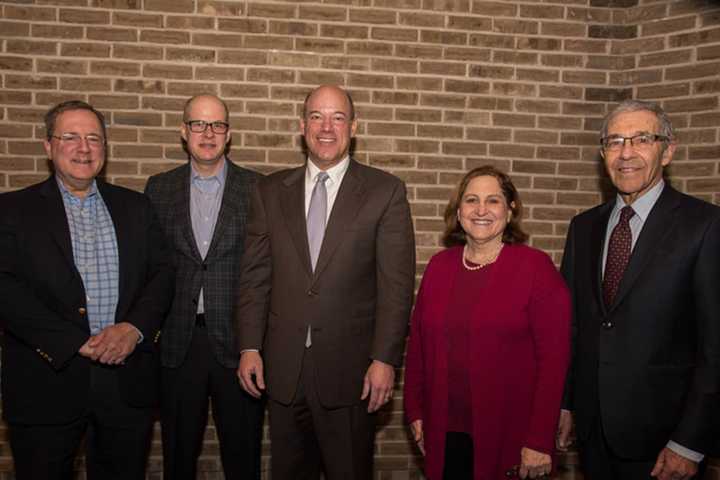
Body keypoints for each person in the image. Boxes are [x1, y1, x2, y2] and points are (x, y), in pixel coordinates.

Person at [235, 85, 415, 480]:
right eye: (316, 116)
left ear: (354, 126)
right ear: (302, 126)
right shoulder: (268, 191)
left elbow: (396, 287)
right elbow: (254, 278)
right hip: (283, 369)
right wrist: (249, 346)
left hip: (351, 373)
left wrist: (384, 359)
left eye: (337, 117)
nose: (326, 127)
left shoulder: (385, 192)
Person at [0, 100, 174, 480]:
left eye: (94, 138)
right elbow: (6, 290)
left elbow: (162, 274)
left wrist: (133, 329)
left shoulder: (136, 207)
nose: (84, 147)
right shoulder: (12, 211)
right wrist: (73, 341)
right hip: (47, 383)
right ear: (48, 146)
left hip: (126, 383)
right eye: (71, 137)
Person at [557, 99, 720, 480]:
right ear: (602, 154)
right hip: (593, 432)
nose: (626, 152)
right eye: (614, 141)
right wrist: (565, 404)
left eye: (641, 139)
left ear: (668, 151)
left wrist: (689, 442)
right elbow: (573, 327)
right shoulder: (583, 228)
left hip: (665, 440)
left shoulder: (705, 226)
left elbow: (716, 345)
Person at [403, 165, 571, 480]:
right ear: (458, 210)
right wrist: (414, 410)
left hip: (511, 435)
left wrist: (538, 439)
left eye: (493, 201)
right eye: (471, 200)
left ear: (510, 210)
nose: (481, 210)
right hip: (444, 431)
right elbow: (418, 348)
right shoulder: (440, 267)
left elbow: (554, 362)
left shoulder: (536, 268)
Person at [144, 94, 263, 480]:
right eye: (198, 124)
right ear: (184, 131)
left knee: (243, 455)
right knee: (178, 456)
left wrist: (257, 343)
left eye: (217, 126)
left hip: (240, 345)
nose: (208, 133)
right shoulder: (158, 189)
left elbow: (266, 269)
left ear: (229, 135)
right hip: (179, 344)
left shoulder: (258, 189)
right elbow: (151, 266)